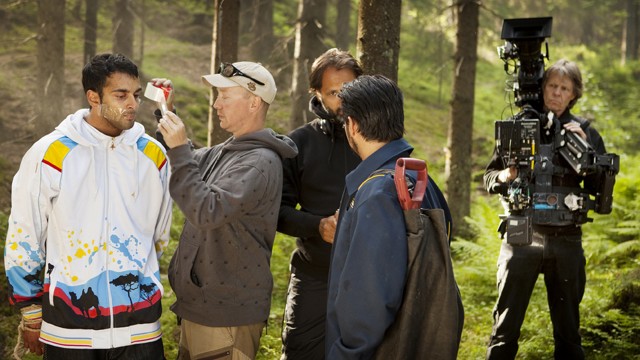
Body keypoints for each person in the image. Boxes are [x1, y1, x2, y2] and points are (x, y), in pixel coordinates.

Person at [4, 53, 172, 359]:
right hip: (69, 329)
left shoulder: (153, 155)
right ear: (93, 97)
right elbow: (25, 233)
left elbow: (160, 235)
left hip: (141, 328)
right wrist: (29, 309)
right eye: (120, 95)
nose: (132, 104)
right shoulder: (51, 152)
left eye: (136, 95)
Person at [154, 61, 298, 360]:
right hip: (204, 309)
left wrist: (179, 149)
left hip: (225, 318)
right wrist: (167, 115)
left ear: (254, 102)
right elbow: (187, 163)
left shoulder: (258, 162)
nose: (216, 105)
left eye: (225, 96)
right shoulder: (229, 151)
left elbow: (206, 210)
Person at [484, 59, 608, 359]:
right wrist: (506, 176)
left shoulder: (586, 133)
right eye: (552, 85)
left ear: (573, 94)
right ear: (542, 88)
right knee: (505, 330)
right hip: (521, 237)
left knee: (568, 333)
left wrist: (588, 157)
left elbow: (601, 190)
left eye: (564, 88)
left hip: (566, 239)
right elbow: (489, 177)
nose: (556, 93)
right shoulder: (517, 126)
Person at [325, 75, 454, 358]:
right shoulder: (419, 179)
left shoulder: (376, 194)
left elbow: (368, 301)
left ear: (353, 125)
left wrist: (345, 354)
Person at [277, 48, 362, 360]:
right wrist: (318, 226)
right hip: (313, 275)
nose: (343, 99)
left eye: (350, 90)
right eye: (333, 92)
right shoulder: (298, 142)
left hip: (368, 278)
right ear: (317, 94)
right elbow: (278, 213)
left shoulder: (378, 141)